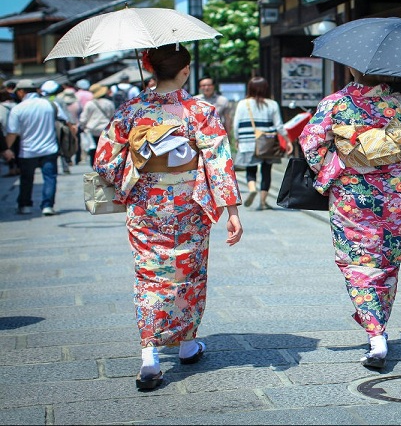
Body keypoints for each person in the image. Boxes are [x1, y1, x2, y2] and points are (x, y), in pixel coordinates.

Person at [93, 43, 243, 391]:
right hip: (189, 205)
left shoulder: (130, 110)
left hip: (146, 205)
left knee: (149, 274)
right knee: (189, 273)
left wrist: (139, 163)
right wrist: (232, 211)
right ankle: (187, 344)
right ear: (185, 71)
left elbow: (103, 161)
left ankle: (150, 356)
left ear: (151, 69)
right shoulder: (200, 110)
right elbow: (219, 162)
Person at [299, 67, 401, 369]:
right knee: (387, 260)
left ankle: (376, 334)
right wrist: (392, 159)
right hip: (395, 193)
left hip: (351, 193)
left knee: (357, 260)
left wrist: (342, 162)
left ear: (352, 67)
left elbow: (311, 145)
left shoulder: (335, 103)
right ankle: (379, 326)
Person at [2, 79, 69, 215]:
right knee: (50, 178)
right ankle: (47, 205)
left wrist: (6, 149)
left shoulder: (18, 109)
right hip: (50, 148)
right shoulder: (50, 104)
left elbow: (12, 133)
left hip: (27, 150)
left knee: (26, 179)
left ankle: (25, 205)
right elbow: (64, 120)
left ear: (21, 92)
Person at [232, 76, 293, 210]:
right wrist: (288, 141)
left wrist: (237, 139)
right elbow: (279, 126)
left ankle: (252, 188)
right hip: (267, 143)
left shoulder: (243, 104)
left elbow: (236, 124)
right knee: (266, 171)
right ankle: (263, 202)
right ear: (265, 88)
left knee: (250, 168)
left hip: (247, 141)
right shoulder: (272, 104)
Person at [79, 84, 115, 166]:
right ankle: (104, 164)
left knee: (93, 148)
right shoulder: (109, 103)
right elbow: (112, 116)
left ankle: (94, 164)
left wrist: (82, 126)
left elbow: (84, 118)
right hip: (106, 129)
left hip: (92, 130)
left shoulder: (89, 104)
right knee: (105, 148)